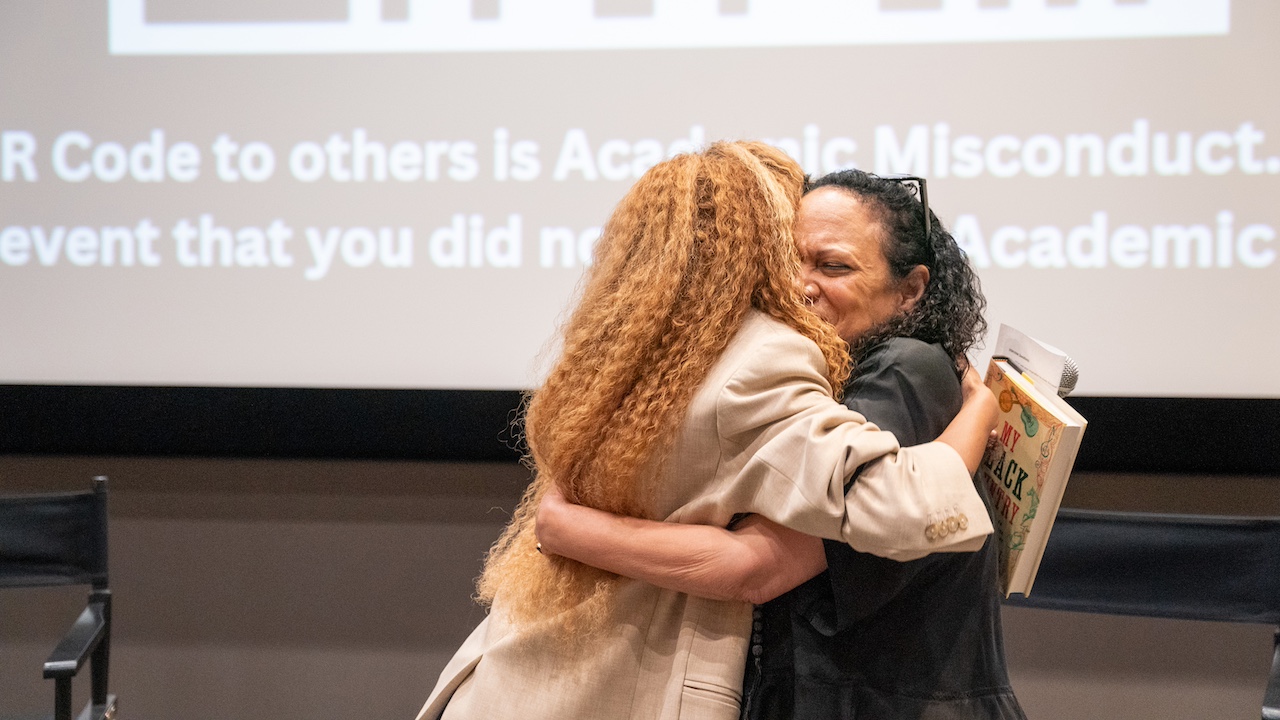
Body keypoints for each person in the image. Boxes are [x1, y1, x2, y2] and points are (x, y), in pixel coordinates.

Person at [416, 144, 999, 720]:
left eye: (833, 265)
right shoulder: (752, 360)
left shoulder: (645, 360)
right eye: (785, 258)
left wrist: (569, 527)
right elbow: (781, 552)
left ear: (912, 288)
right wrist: (981, 409)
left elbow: (766, 562)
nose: (798, 285)